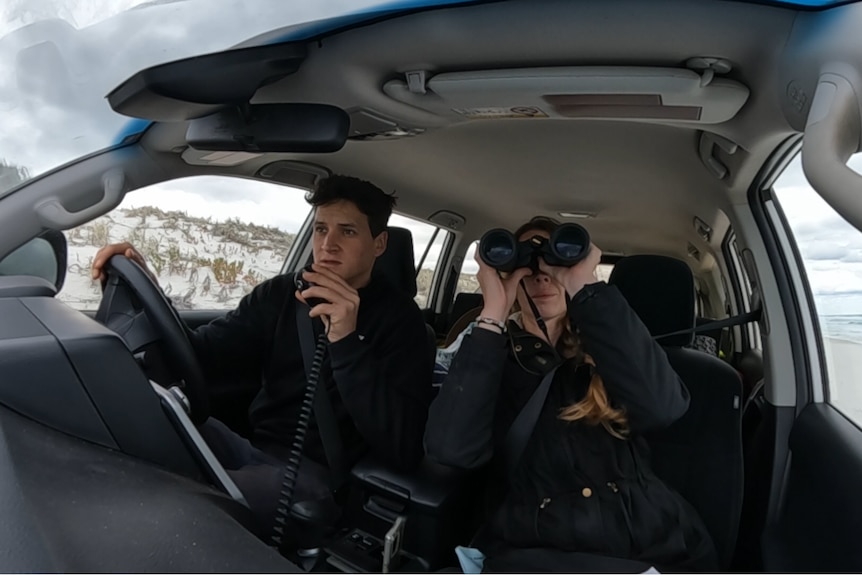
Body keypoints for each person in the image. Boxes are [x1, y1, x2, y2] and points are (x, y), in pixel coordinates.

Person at [92, 175, 434, 541]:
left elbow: (401, 445)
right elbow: (201, 353)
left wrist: (346, 341)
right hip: (251, 445)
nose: (328, 244)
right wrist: (149, 287)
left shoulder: (406, 325)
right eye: (320, 229)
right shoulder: (282, 294)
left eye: (347, 232)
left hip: (317, 476)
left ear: (379, 243)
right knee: (136, 441)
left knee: (179, 507)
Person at [424, 216, 718, 572]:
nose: (541, 274)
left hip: (639, 544)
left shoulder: (613, 347)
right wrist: (493, 315)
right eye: (525, 264)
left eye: (555, 260)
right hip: (531, 547)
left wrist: (584, 287)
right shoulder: (486, 351)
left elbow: (664, 407)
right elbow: (450, 450)